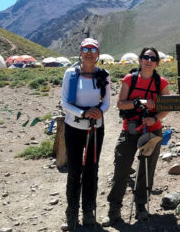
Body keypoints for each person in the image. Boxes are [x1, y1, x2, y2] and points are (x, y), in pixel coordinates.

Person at [102, 47, 170, 226]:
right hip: (130, 130)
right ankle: (114, 208)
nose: (149, 60)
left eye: (152, 58)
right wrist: (139, 102)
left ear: (157, 62)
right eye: (145, 57)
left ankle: (141, 205)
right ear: (140, 60)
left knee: (146, 169)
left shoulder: (161, 83)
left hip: (152, 130)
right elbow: (120, 104)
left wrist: (154, 117)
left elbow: (167, 107)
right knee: (122, 168)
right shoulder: (129, 79)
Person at [60, 38, 111, 230]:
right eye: (85, 49)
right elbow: (64, 102)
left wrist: (99, 111)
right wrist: (83, 113)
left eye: (93, 49)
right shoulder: (70, 74)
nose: (89, 53)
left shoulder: (104, 75)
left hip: (96, 128)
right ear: (80, 52)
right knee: (74, 171)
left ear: (98, 53)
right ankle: (71, 214)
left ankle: (88, 211)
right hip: (74, 127)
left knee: (92, 170)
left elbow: (106, 102)